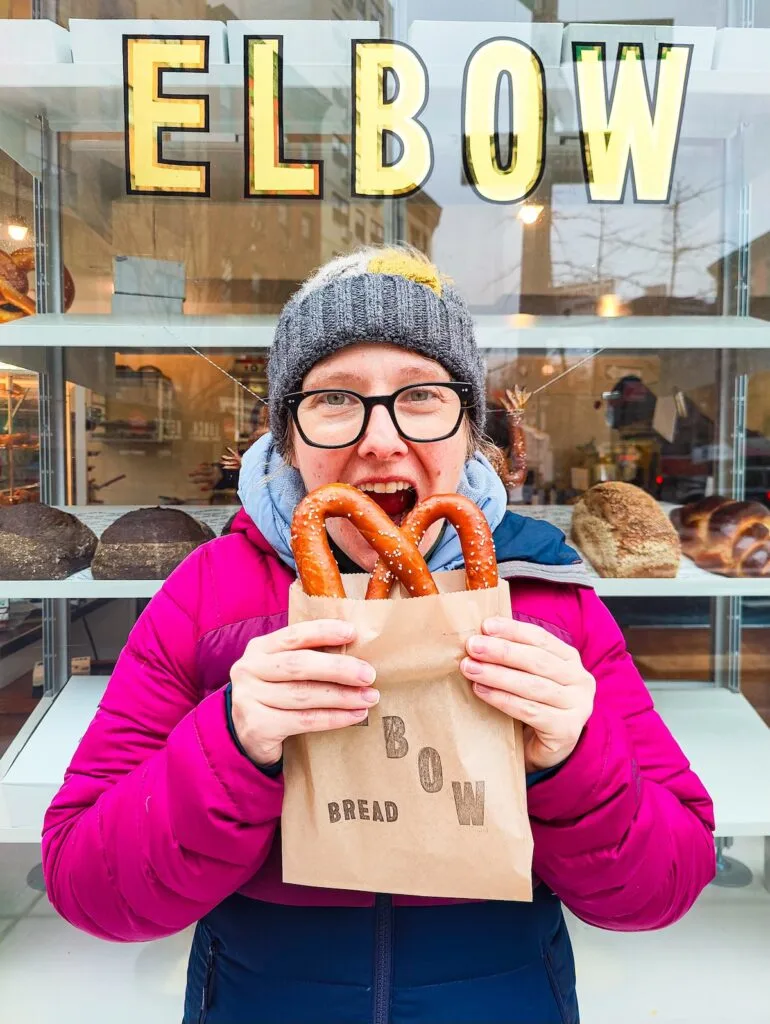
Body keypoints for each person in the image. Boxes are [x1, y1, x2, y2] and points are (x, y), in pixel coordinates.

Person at [42, 246, 716, 1024]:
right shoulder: (205, 598)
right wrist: (231, 740)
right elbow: (87, 887)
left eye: (421, 395)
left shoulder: (551, 600)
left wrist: (574, 757)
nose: (380, 439)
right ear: (287, 435)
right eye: (335, 399)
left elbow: (665, 886)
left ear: (470, 428)